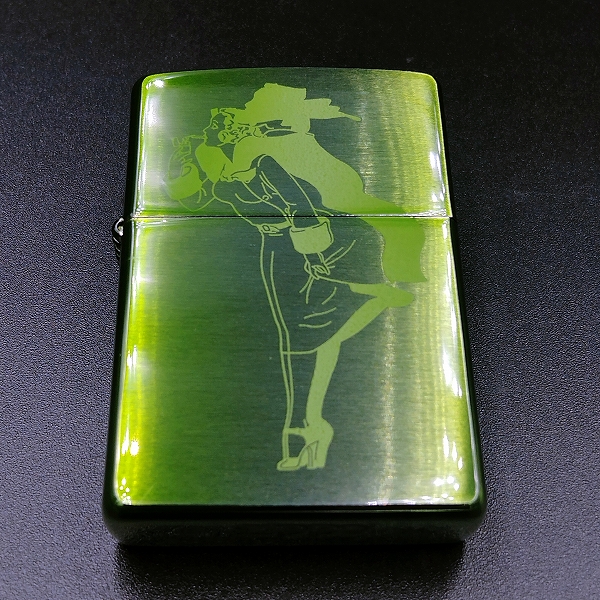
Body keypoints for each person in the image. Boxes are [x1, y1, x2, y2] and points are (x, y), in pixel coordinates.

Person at [164, 84, 425, 471]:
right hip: (277, 253)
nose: (208, 138)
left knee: (301, 336)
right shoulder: (225, 182)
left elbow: (304, 206)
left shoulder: (264, 164)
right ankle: (308, 426)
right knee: (298, 337)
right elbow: (193, 200)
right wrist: (180, 167)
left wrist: (318, 255)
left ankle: (303, 427)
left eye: (216, 132)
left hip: (318, 243)